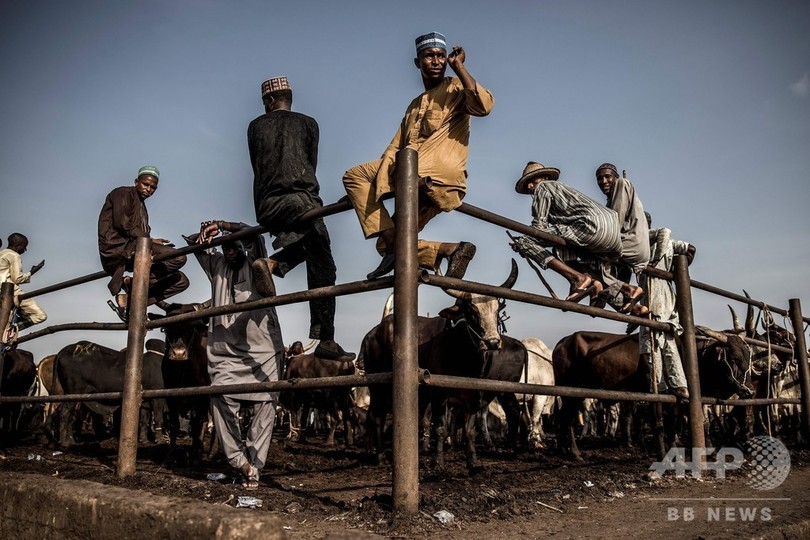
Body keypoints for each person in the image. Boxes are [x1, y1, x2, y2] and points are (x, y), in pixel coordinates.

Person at [342, 31, 494, 280]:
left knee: (354, 176)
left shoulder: (456, 87)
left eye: (441, 56)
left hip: (433, 175)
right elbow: (393, 148)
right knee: (386, 246)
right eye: (429, 56)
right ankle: (450, 250)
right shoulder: (414, 105)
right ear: (417, 62)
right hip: (414, 181)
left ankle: (394, 242)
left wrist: (460, 68)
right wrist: (369, 189)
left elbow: (484, 106)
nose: (436, 61)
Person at [247, 76, 354, 362]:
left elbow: (258, 166)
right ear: (289, 98)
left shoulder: (255, 126)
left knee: (308, 246)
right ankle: (326, 340)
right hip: (301, 201)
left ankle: (271, 264)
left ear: (268, 101)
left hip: (267, 206)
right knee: (324, 264)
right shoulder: (309, 124)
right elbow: (309, 166)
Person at [188, 219, 285, 489]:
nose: (229, 251)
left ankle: (255, 465)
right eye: (224, 248)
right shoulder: (216, 266)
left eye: (234, 246)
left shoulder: (254, 260)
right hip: (225, 351)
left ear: (243, 245)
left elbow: (251, 231)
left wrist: (223, 225)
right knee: (219, 396)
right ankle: (238, 461)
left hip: (262, 348)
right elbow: (198, 245)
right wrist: (207, 232)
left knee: (266, 405)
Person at [509, 162, 647, 315]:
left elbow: (538, 227)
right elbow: (555, 234)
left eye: (531, 181)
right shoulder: (565, 194)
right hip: (612, 236)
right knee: (564, 249)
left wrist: (524, 242)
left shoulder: (543, 187)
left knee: (525, 242)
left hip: (591, 227)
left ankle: (577, 279)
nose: (529, 187)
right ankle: (628, 293)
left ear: (545, 178)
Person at [97, 165, 189, 322]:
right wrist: (150, 241)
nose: (149, 189)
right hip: (118, 249)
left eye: (153, 187)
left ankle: (131, 302)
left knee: (181, 281)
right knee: (179, 258)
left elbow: (137, 231)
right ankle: (133, 283)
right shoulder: (123, 193)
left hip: (135, 248)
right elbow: (123, 225)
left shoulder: (142, 207)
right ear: (136, 182)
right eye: (146, 184)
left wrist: (151, 241)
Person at [637, 212, 696, 401]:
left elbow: (665, 231)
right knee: (668, 340)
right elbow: (690, 248)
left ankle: (659, 385)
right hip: (667, 295)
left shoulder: (642, 242)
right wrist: (676, 273)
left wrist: (655, 263)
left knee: (651, 339)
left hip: (652, 294)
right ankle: (680, 386)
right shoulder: (671, 244)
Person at [595, 163, 650, 312]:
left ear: (616, 177)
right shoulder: (610, 199)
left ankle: (611, 293)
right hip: (630, 244)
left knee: (590, 254)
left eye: (607, 177)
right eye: (600, 178)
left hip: (632, 243)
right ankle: (632, 306)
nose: (604, 181)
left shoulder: (621, 183)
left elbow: (615, 223)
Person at [0, 233, 47, 338]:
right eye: (24, 246)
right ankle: (8, 332)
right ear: (17, 245)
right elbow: (16, 278)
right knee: (40, 316)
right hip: (10, 291)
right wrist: (31, 272)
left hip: (2, 291)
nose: (25, 250)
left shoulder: (2, 253)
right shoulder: (14, 256)